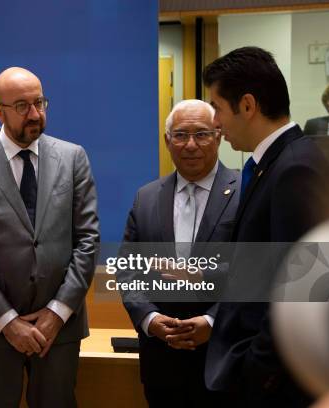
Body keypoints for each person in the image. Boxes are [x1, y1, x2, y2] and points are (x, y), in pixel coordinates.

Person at [0, 67, 99, 408]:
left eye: (40, 103)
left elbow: (87, 241)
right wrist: (9, 322)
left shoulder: (73, 158)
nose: (35, 114)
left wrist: (57, 313)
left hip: (59, 331)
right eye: (22, 106)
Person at [202, 46, 327, 407]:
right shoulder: (272, 164)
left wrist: (259, 370)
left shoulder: (295, 168)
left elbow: (304, 291)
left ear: (247, 105)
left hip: (275, 383)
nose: (215, 122)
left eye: (217, 107)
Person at [120, 99, 239, 407]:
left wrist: (212, 321)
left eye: (201, 134)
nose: (190, 145)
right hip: (162, 361)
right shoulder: (146, 198)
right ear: (167, 141)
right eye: (180, 135)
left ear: (219, 135)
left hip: (225, 359)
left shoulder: (246, 191)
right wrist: (149, 318)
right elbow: (128, 270)